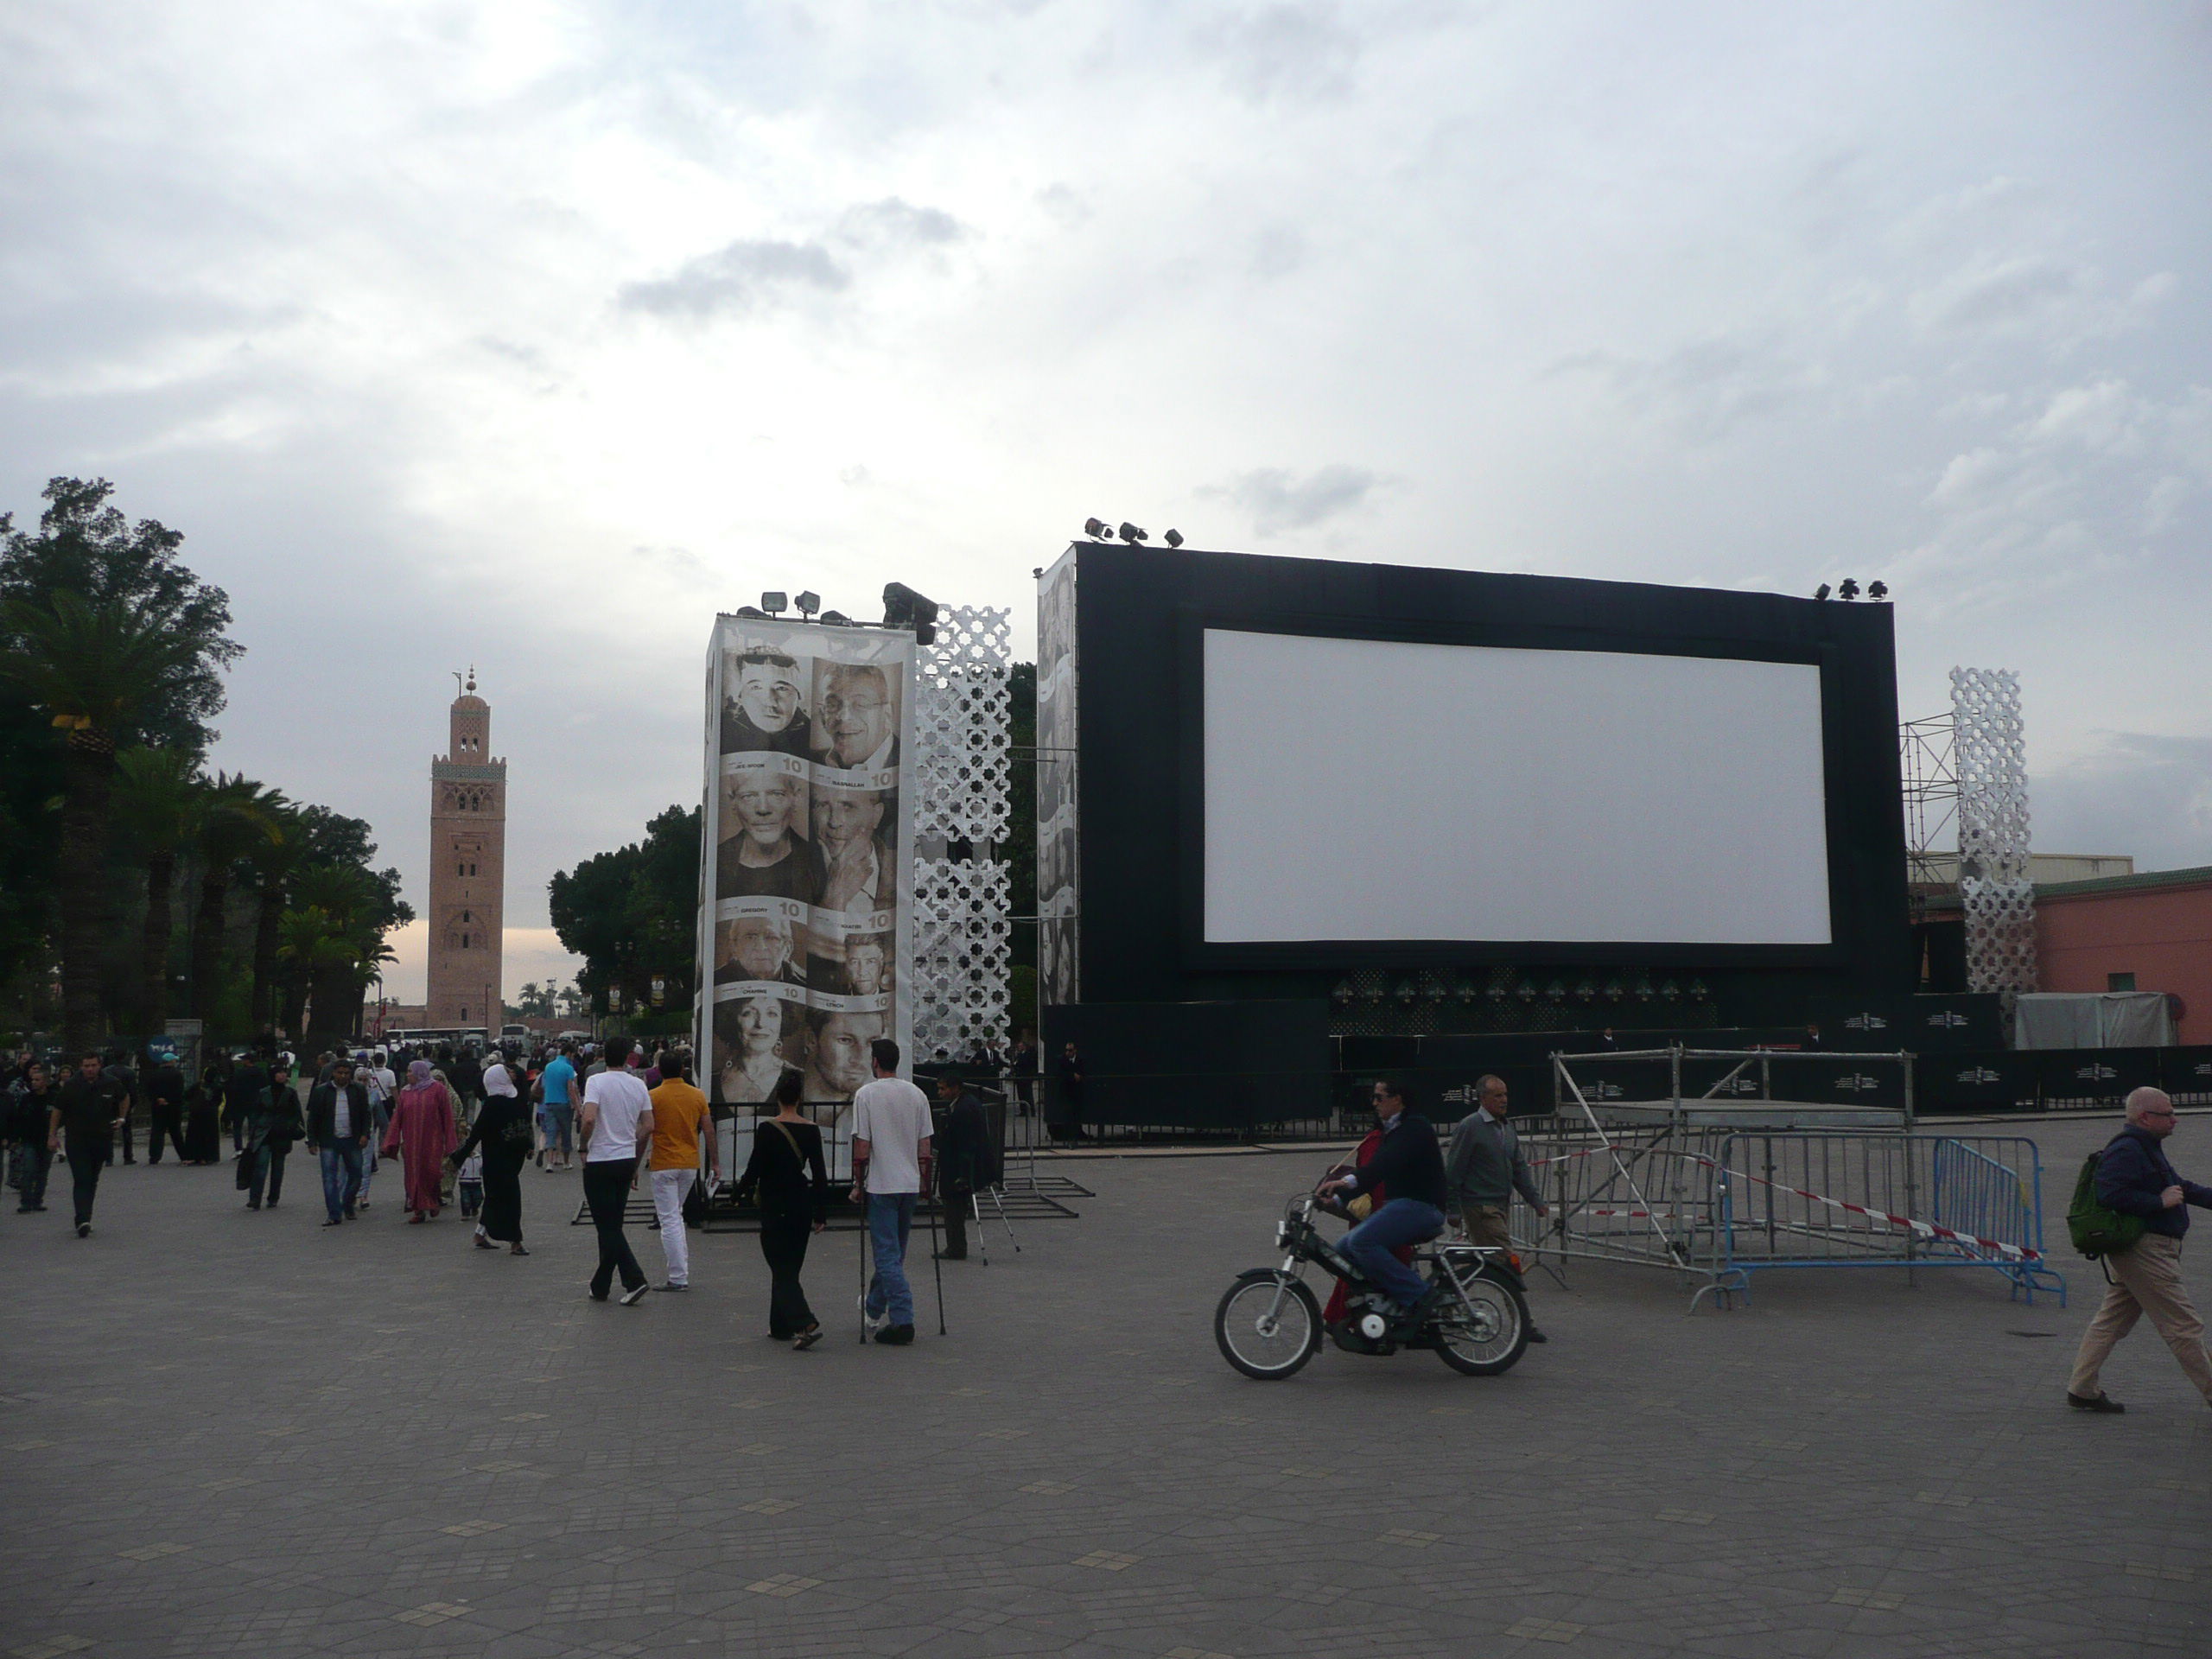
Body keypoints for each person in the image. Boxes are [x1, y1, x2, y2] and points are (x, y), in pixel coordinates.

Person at [2066, 1086, 2212, 1413]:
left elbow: (2179, 1186)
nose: (2176, 1119)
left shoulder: (2147, 1146)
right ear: (2145, 1117)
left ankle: (2082, 1388)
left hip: (2144, 1250)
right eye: (2169, 1113)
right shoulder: (2128, 1150)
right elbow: (2109, 1193)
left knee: (2111, 1320)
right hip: (2145, 1251)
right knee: (2184, 1326)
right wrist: (2157, 1203)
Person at [1318, 1078, 1448, 1325]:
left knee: (1361, 1241)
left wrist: (1343, 1184)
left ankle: (1421, 1297)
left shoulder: (1414, 1127)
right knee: (1342, 1249)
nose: (1374, 1103)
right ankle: (1382, 1305)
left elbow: (1380, 1167)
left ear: (1397, 1098)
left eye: (1379, 1097)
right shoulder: (1392, 1130)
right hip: (1400, 1206)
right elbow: (1372, 1176)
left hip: (1422, 1206)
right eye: (1373, 1097)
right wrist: (1334, 1198)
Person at [1445, 1073, 1552, 1344]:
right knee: (1506, 1261)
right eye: (1497, 1096)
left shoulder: (1506, 1128)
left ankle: (1445, 1306)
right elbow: (1454, 1170)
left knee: (1480, 1263)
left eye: (1505, 1095)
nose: (1504, 1100)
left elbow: (1519, 1168)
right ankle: (1523, 1323)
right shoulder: (1471, 1126)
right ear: (1482, 1099)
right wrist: (1453, 1209)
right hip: (1480, 1207)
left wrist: (1535, 1200)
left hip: (1499, 1205)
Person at [734, 1069, 828, 1348]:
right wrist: (820, 1213)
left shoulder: (767, 1129)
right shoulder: (812, 1131)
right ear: (800, 1098)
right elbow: (820, 1175)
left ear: (777, 1097)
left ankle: (804, 1320)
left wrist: (738, 1193)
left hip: (774, 1204)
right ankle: (780, 1326)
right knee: (789, 1268)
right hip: (801, 1203)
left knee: (780, 1268)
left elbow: (754, 1168)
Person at [849, 1039, 932, 1345]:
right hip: (909, 1182)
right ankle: (872, 1307)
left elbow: (862, 1146)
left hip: (882, 1184)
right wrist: (924, 1181)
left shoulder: (866, 1095)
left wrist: (858, 1183)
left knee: (886, 1255)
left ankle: (903, 1317)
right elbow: (925, 1145)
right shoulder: (917, 1094)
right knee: (895, 1253)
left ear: (875, 1062)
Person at [578, 1035, 653, 1304]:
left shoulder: (596, 1081)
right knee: (613, 1224)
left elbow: (588, 1119)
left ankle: (634, 1279)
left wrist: (583, 1146)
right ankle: (601, 1284)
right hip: (624, 1158)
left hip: (599, 1160)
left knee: (606, 1225)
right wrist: (635, 1159)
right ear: (627, 1057)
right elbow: (647, 1126)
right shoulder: (638, 1085)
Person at [645, 1050, 718, 1291]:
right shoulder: (697, 1095)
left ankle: (678, 1276)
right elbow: (708, 1130)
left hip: (663, 1162)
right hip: (689, 1162)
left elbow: (645, 1131)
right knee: (676, 1215)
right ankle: (680, 1269)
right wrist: (715, 1163)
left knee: (670, 1220)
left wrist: (634, 1165)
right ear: (682, 1070)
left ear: (660, 1071)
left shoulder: (653, 1096)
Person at [449, 1055, 531, 1257]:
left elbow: (525, 1124)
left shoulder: (516, 1097)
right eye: (506, 1072)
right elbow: (476, 1134)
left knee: (495, 1197)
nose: (510, 1074)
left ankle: (480, 1234)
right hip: (498, 1161)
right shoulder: (493, 1104)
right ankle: (515, 1241)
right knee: (512, 1198)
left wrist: (529, 1144)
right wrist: (458, 1158)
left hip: (514, 1158)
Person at [50, 1052, 129, 1237]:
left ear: (100, 1065)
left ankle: (87, 1216)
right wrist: (52, 1135)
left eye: (93, 1065)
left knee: (92, 1178)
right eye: (86, 1066)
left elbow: (124, 1097)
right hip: (77, 1139)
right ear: (81, 1066)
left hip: (101, 1138)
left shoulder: (111, 1082)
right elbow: (57, 1109)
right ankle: (81, 1219)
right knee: (82, 1178)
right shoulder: (71, 1086)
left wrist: (121, 1117)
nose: (90, 1069)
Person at [718, 767, 821, 902]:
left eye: (776, 794)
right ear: (733, 803)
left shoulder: (818, 862)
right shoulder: (717, 860)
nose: (763, 808)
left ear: (796, 799)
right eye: (748, 796)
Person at [384, 1059, 461, 1223]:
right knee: (413, 1174)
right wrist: (391, 1141)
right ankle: (418, 1210)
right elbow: (398, 1118)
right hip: (411, 1143)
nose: (408, 1074)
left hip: (433, 1142)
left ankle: (432, 1201)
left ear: (420, 1072)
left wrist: (451, 1141)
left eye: (411, 1071)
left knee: (431, 1172)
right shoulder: (405, 1093)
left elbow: (447, 1116)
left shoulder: (438, 1090)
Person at [931, 1071, 996, 1262]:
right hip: (961, 1165)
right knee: (955, 1208)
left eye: (943, 1089)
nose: (940, 1093)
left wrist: (963, 1175)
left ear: (955, 1088)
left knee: (953, 1209)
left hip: (958, 1168)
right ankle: (955, 1246)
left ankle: (956, 1247)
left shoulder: (963, 1109)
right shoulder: (966, 1104)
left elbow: (967, 1143)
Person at [306, 1059, 372, 1226]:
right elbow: (313, 1118)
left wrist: (365, 1134)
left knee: (356, 1175)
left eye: (346, 1073)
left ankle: (347, 1202)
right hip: (329, 1140)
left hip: (352, 1140)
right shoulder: (321, 1091)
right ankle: (334, 1213)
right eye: (339, 1073)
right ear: (333, 1073)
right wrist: (312, 1141)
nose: (343, 1076)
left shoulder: (358, 1090)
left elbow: (366, 1114)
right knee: (330, 1178)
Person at [814, 785, 893, 915]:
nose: (834, 822)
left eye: (848, 807)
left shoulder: (903, 867)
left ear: (876, 815)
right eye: (823, 805)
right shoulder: (795, 873)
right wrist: (832, 901)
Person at [721, 647, 811, 756]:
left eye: (781, 688)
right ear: (740, 697)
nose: (770, 702)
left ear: (798, 696)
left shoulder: (819, 739)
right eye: (756, 688)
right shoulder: (723, 736)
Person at [243, 1061, 304, 1210]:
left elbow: (296, 1113)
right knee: (260, 1167)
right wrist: (253, 1132)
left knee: (278, 1168)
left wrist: (289, 1126)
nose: (282, 1075)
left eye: (284, 1072)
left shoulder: (290, 1093)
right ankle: (255, 1199)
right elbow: (255, 1113)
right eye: (279, 1072)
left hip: (282, 1134)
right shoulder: (264, 1093)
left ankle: (273, 1197)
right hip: (264, 1134)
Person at [813, 664, 899, 771]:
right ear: (822, 715)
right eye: (832, 705)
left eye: (860, 704)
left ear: (887, 714)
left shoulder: (914, 758)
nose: (844, 717)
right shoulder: (811, 761)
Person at [5, 1059, 54, 1212]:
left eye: (37, 1080)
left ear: (45, 1082)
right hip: (29, 1141)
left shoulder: (53, 1098)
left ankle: (37, 1200)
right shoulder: (27, 1099)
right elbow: (18, 1119)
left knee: (42, 1173)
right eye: (33, 1080)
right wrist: (14, 1138)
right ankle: (26, 1202)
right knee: (28, 1170)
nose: (34, 1082)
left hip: (46, 1140)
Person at [538, 1044, 578, 1170]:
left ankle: (549, 1163)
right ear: (569, 1053)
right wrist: (577, 1107)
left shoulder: (549, 1066)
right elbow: (571, 1090)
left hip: (549, 1102)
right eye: (573, 1055)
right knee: (566, 1133)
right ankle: (566, 1162)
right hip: (563, 1103)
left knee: (550, 1132)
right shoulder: (568, 1068)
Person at [143, 1050, 188, 1164]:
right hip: (173, 1107)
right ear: (171, 1061)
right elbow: (179, 1091)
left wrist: (158, 1099)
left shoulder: (154, 1074)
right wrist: (170, 1100)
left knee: (157, 1131)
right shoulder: (177, 1074)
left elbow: (148, 1090)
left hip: (158, 1106)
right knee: (176, 1132)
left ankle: (154, 1156)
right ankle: (183, 1155)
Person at [181, 1063, 224, 1164]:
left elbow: (186, 1095)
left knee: (194, 1135)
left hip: (197, 1112)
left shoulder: (198, 1085)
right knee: (209, 1135)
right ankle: (207, 1157)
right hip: (210, 1113)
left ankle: (193, 1156)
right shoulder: (217, 1087)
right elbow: (218, 1100)